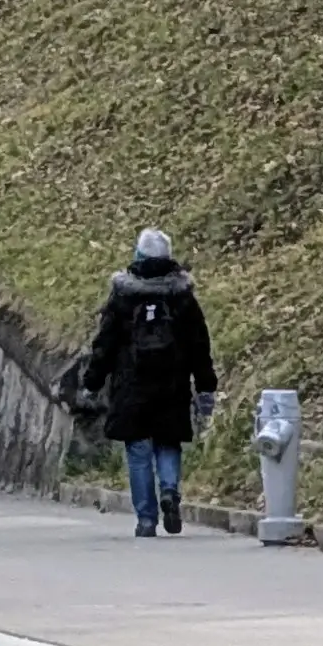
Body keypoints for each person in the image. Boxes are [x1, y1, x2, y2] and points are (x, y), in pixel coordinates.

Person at [80, 227, 218, 538]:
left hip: (132, 386)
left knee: (138, 450)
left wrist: (92, 382)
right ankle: (169, 489)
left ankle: (146, 519)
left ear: (138, 256)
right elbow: (199, 344)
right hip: (172, 383)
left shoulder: (123, 296)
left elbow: (105, 344)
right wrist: (206, 386)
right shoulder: (182, 295)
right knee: (168, 441)